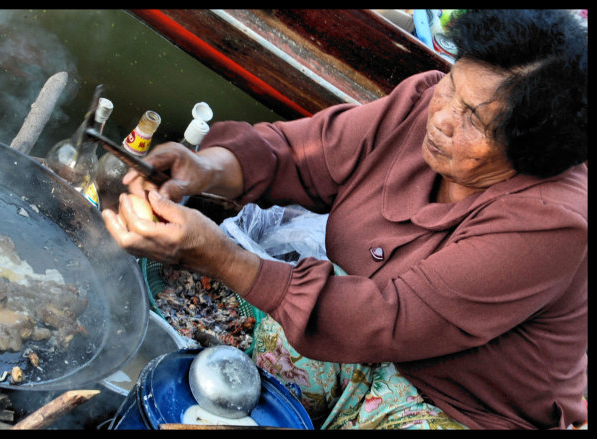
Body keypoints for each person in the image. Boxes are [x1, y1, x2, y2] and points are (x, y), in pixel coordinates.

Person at [102, 10, 587, 429]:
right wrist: (207, 169)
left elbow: (390, 317)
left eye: (475, 120)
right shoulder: (421, 103)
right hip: (355, 326)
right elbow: (301, 154)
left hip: (460, 403)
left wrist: (219, 257)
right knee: (227, 385)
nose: (441, 117)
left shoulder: (553, 223)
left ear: (530, 148)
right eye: (451, 84)